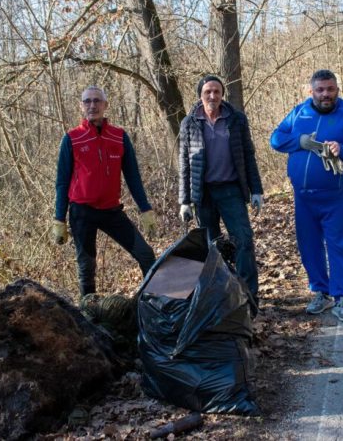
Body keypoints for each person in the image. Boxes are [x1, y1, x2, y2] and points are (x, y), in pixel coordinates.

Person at [270, 69, 343, 322]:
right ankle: (320, 293)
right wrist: (300, 141)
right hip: (303, 196)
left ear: (337, 90)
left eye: (330, 89)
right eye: (320, 90)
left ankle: (341, 298)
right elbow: (275, 139)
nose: (326, 94)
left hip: (335, 196)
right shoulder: (299, 113)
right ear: (311, 91)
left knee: (339, 246)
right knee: (309, 246)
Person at [53, 86, 157, 296]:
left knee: (146, 256)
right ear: (81, 106)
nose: (92, 105)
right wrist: (59, 219)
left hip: (111, 211)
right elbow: (62, 182)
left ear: (105, 105)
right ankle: (90, 317)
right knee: (86, 268)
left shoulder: (119, 137)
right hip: (82, 212)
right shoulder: (72, 139)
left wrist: (145, 209)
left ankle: (149, 304)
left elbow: (133, 176)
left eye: (97, 101)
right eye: (87, 101)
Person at [178, 75, 264, 301]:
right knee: (212, 248)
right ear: (200, 95)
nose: (212, 96)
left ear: (222, 94)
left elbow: (248, 155)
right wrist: (184, 201)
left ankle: (248, 296)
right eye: (208, 92)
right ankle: (220, 297)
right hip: (203, 194)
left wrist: (256, 190)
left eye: (216, 91)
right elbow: (184, 164)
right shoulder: (190, 123)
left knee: (243, 240)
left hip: (231, 191)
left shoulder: (236, 119)